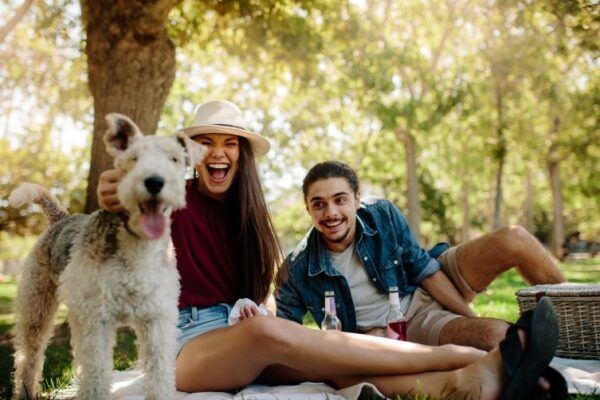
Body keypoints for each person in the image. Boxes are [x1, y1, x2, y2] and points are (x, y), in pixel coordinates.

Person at [98, 101, 560, 399]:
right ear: (192, 153)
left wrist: (251, 306)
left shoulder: (250, 217)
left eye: (229, 142)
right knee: (270, 336)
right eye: (206, 142)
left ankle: (473, 382)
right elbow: (126, 192)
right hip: (183, 344)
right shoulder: (171, 193)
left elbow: (262, 295)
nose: (218, 152)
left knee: (328, 368)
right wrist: (116, 187)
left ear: (241, 154)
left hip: (233, 331)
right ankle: (461, 358)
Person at [275, 161, 566, 350]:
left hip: (424, 281)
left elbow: (423, 268)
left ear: (356, 199)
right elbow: (287, 339)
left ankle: (574, 326)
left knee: (514, 239)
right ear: (307, 208)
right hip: (404, 325)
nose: (331, 213)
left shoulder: (381, 214)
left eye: (340, 200)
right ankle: (532, 347)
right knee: (497, 337)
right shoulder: (297, 270)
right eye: (319, 204)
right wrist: (361, 342)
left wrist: (466, 315)